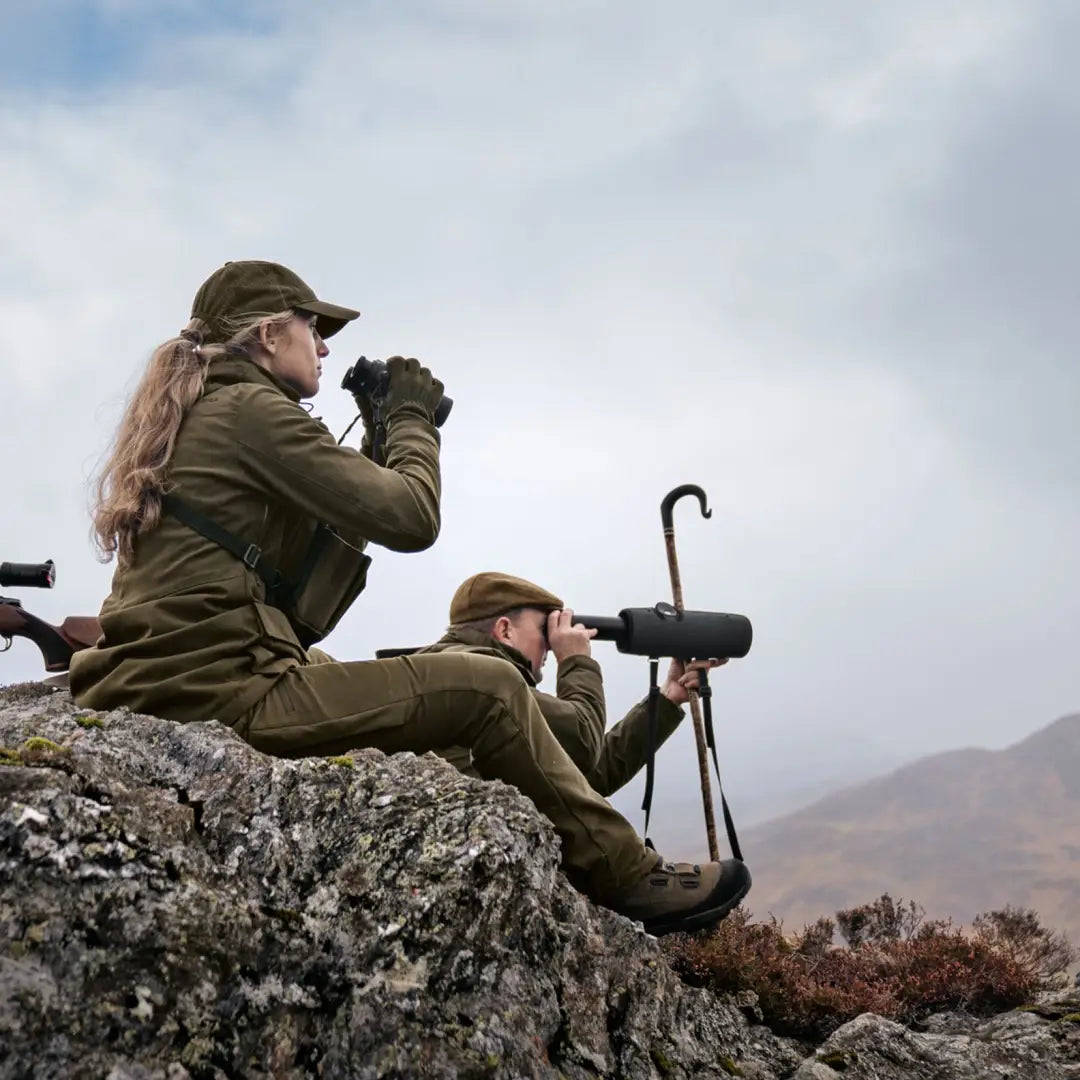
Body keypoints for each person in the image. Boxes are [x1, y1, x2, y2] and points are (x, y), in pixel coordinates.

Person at [70, 259, 750, 936]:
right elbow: (411, 519)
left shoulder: (212, 412)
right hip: (213, 690)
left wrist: (375, 436)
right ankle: (627, 873)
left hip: (180, 678)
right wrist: (414, 421)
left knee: (346, 675)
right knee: (485, 687)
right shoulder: (250, 411)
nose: (326, 345)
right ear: (272, 334)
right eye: (313, 327)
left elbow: (305, 606)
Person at [424, 571, 723, 797]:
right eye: (544, 629)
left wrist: (668, 697)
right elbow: (582, 745)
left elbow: (591, 774)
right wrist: (575, 661)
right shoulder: (478, 686)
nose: (552, 645)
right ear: (505, 630)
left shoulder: (450, 675)